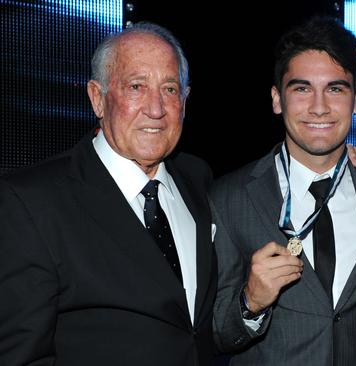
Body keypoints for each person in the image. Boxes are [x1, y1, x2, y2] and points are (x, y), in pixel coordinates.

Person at [0, 22, 218, 365]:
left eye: (171, 89)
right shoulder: (30, 202)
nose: (156, 109)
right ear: (97, 98)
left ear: (186, 100)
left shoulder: (197, 179)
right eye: (136, 86)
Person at [210, 16, 356, 365]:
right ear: (277, 99)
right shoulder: (228, 198)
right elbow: (218, 334)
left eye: (335, 89)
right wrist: (251, 302)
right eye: (302, 89)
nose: (319, 107)